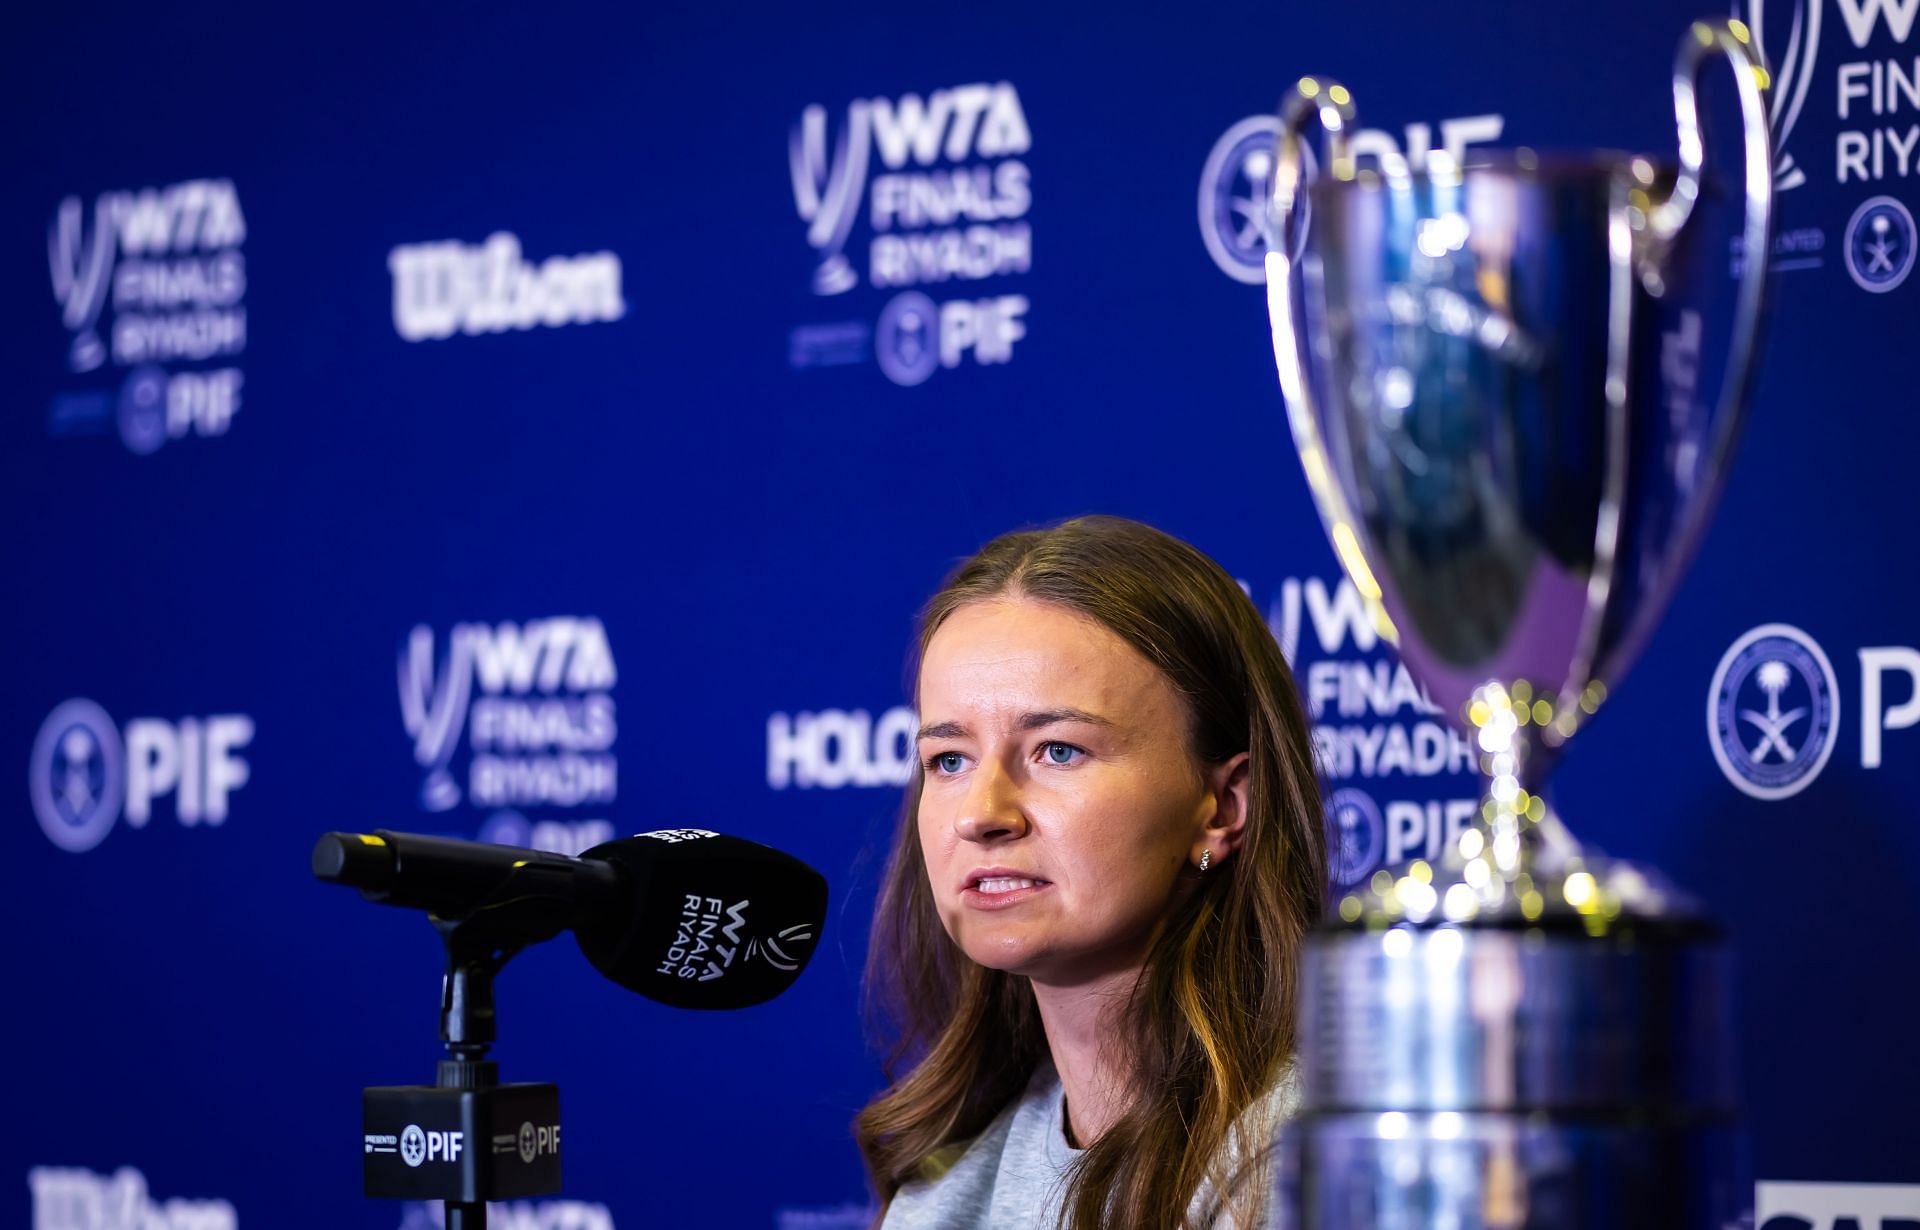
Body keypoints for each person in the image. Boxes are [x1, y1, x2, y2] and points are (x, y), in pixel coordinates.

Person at [855, 516, 1327, 1230]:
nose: (980, 814)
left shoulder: (1331, 1163)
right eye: (949, 760)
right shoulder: (943, 1196)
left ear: (1224, 806)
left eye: (1058, 751)